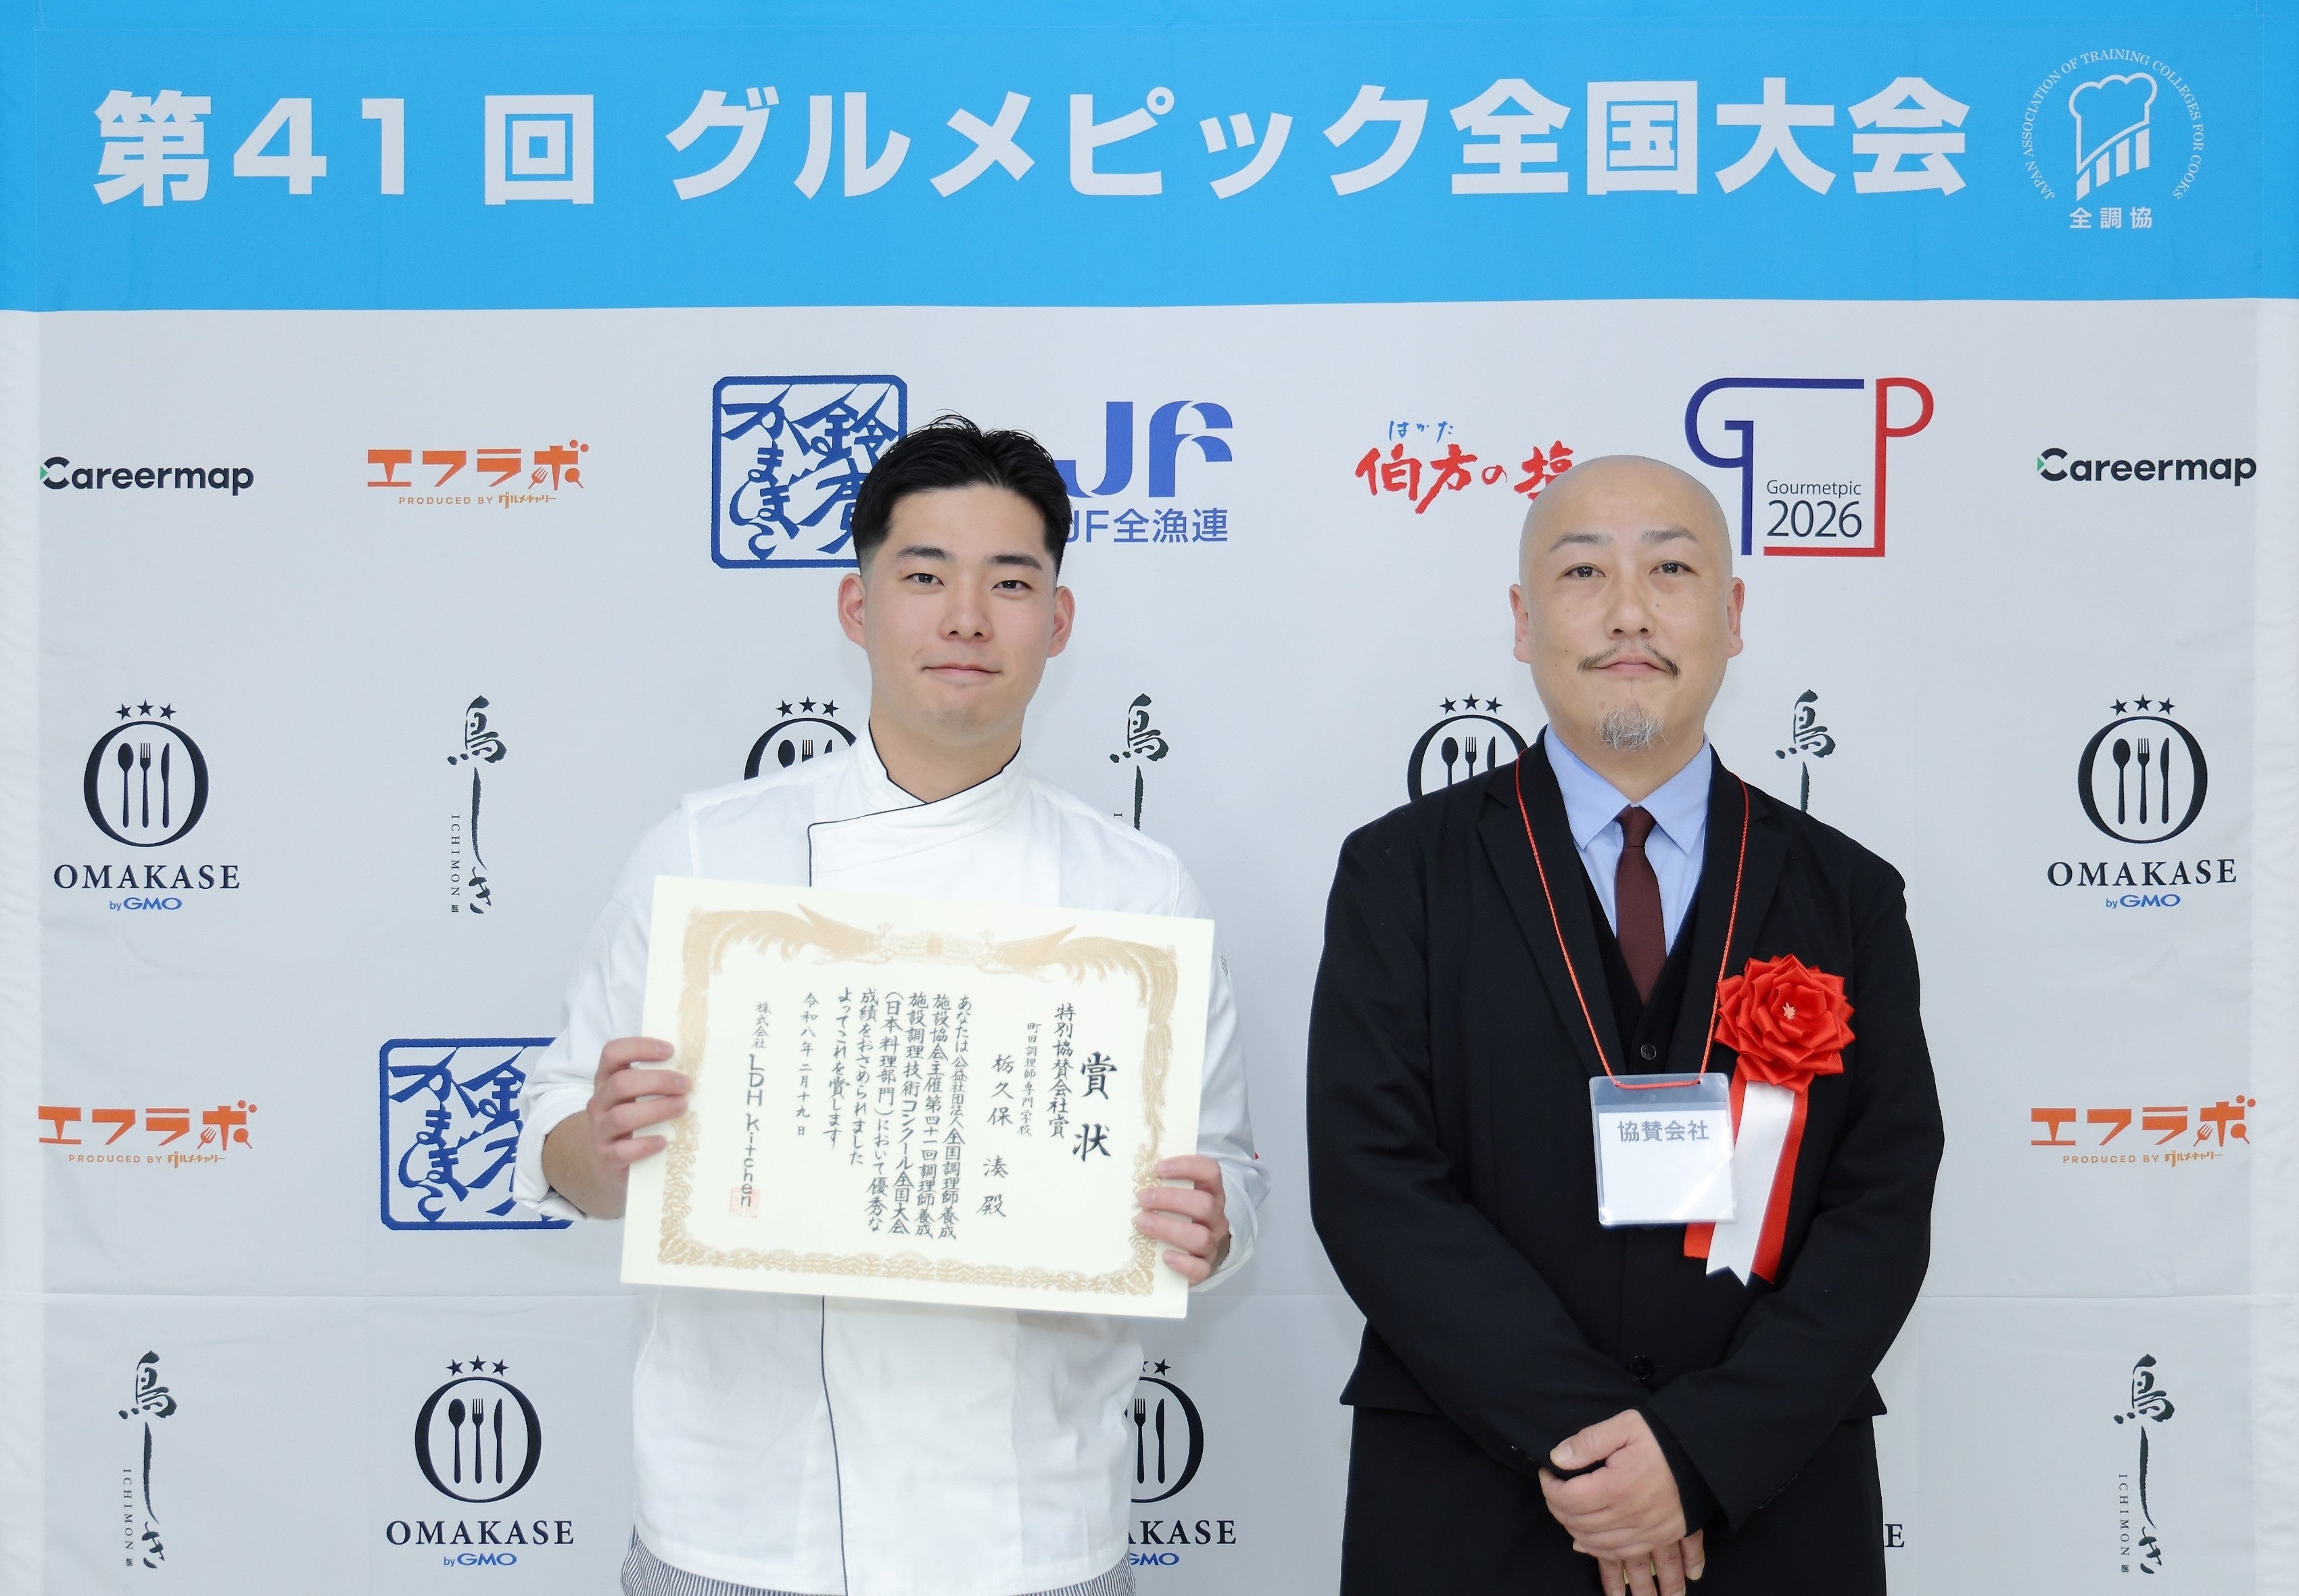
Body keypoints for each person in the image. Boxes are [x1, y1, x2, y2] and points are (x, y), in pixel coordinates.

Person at [513, 416, 1264, 1596]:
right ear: (856, 607)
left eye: (1010, 582)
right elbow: (559, 1138)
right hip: (738, 1528)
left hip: (1028, 1537)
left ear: (1058, 620)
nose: (966, 617)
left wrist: (1211, 1226)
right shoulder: (706, 855)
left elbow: (1230, 1177)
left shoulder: (1137, 893)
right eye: (924, 576)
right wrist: (598, 1146)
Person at [1306, 455, 1943, 1595]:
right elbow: (1372, 1183)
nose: (1630, 611)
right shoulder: (1400, 875)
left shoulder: (1847, 894)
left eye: (1672, 570)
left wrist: (1700, 1454)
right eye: (1584, 572)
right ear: (1522, 620)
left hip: (1767, 1503)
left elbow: (1882, 1203)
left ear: (1734, 616)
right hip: (1472, 1496)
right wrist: (1597, 1444)